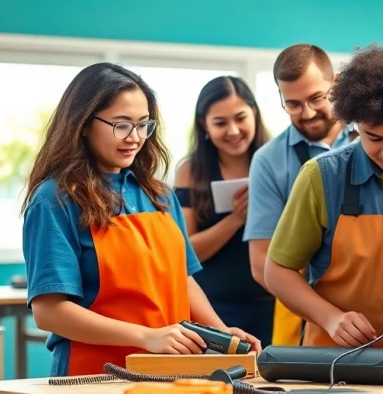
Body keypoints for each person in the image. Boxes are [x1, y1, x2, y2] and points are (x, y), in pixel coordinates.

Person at [21, 63, 261, 377]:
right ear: (83, 124)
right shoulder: (55, 200)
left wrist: (222, 333)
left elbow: (183, 279)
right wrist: (146, 337)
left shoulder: (159, 194)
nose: (135, 137)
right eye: (121, 125)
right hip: (94, 377)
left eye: (143, 125)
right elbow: (49, 311)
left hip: (171, 374)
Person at [264, 43, 383, 362]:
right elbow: (277, 271)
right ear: (354, 124)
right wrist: (330, 318)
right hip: (329, 364)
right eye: (374, 138)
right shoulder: (320, 176)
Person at [244, 44, 354, 347]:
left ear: (336, 84)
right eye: (293, 104)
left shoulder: (375, 140)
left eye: (316, 98)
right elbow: (261, 263)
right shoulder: (268, 160)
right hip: (302, 322)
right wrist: (325, 314)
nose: (307, 113)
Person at [174, 76, 275, 348]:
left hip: (274, 303)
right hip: (213, 309)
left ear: (254, 114)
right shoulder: (191, 171)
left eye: (240, 118)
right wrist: (236, 218)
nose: (233, 130)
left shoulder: (277, 162)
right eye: (220, 123)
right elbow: (185, 252)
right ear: (204, 125)